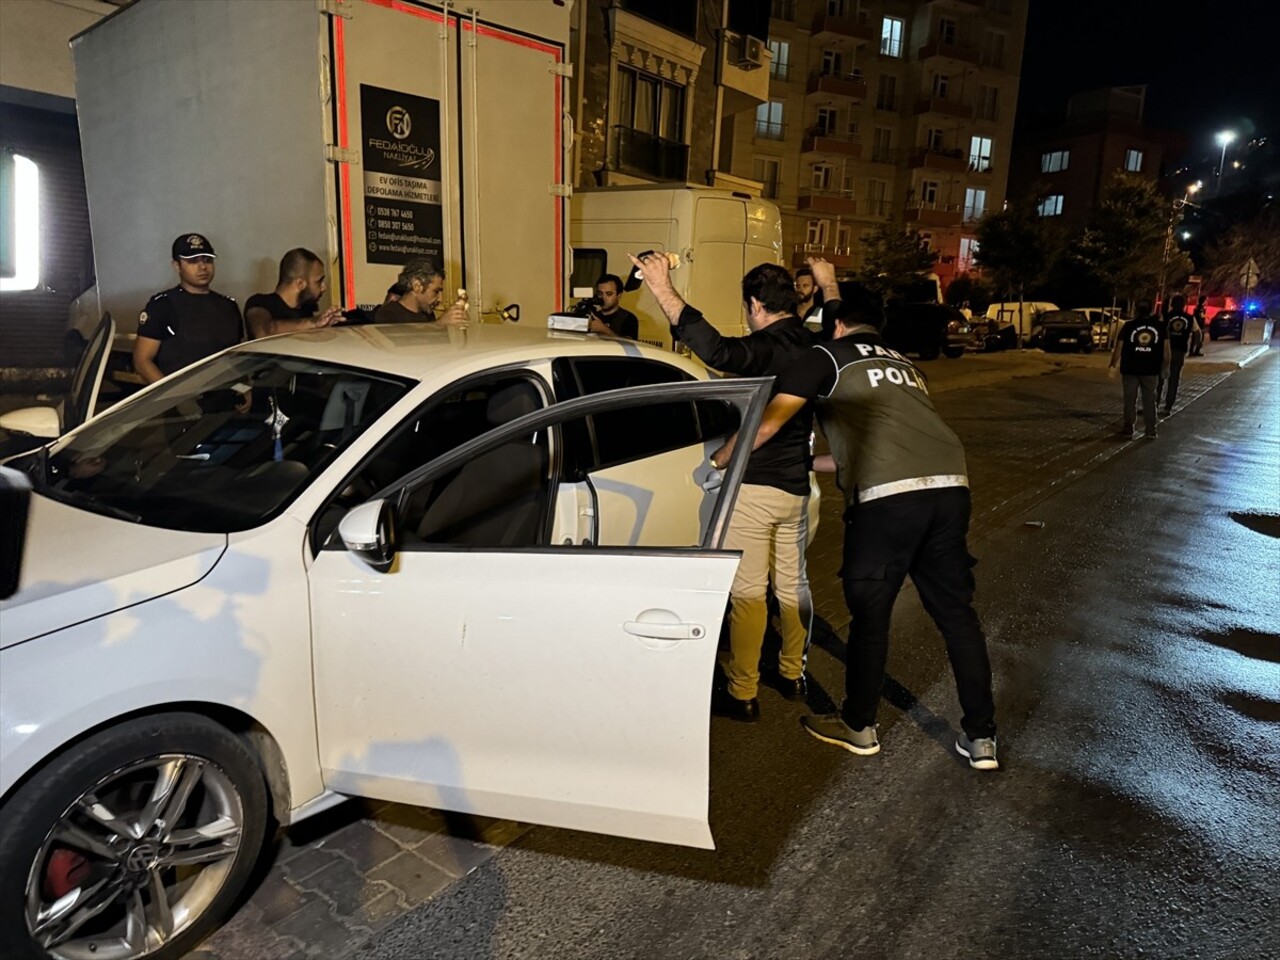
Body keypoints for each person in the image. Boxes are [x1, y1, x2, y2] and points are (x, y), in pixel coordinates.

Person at [711, 294, 1000, 770]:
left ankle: (859, 726)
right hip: (951, 489)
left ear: (839, 326)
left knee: (871, 614)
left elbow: (769, 423)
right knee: (957, 617)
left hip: (888, 504)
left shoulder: (824, 357)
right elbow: (863, 452)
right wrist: (808, 463)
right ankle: (981, 738)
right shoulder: (905, 365)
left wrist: (722, 461)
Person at [630, 252, 836, 721]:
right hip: (796, 488)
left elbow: (719, 352)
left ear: (755, 305)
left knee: (747, 592)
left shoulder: (768, 346)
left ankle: (742, 690)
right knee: (792, 585)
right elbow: (835, 319)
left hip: (756, 486)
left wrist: (662, 287)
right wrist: (829, 284)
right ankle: (791, 673)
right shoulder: (813, 343)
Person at [133, 233, 244, 384]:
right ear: (177, 265)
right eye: (193, 261)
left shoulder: (228, 305)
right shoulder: (163, 305)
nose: (202, 267)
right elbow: (142, 361)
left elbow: (237, 354)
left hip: (226, 394)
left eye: (207, 260)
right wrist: (172, 396)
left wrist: (244, 385)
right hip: (183, 398)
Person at [244, 248, 344, 338]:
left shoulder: (306, 310)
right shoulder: (259, 303)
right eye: (319, 282)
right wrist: (313, 323)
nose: (323, 288)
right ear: (300, 283)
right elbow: (264, 332)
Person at [1109, 301, 1170, 439]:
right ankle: (1150, 430)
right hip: (1150, 369)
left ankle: (1129, 428)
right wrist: (1165, 367)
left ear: (1136, 310)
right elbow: (1166, 351)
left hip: (1130, 369)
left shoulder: (1129, 326)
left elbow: (1118, 347)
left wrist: (1113, 364)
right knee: (1150, 400)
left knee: (1130, 399)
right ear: (1150, 310)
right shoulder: (1160, 327)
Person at [373, 257, 469, 326]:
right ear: (417, 286)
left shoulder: (428, 315)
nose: (440, 299)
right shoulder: (388, 314)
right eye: (436, 291)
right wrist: (439, 324)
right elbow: (406, 344)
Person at [1160, 294, 1194, 414]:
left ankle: (1154, 403)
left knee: (1159, 378)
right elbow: (1197, 332)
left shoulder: (1166, 316)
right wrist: (1193, 348)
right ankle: (1168, 407)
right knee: (1174, 379)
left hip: (1164, 350)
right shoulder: (1190, 318)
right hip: (1179, 351)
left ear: (1172, 305)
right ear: (1184, 305)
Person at [588, 274, 638, 339]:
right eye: (600, 294)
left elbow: (629, 345)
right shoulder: (594, 315)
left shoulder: (628, 318)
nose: (603, 298)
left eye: (609, 294)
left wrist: (603, 329)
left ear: (619, 296)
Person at [794, 265, 824, 331]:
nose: (800, 290)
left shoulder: (822, 313)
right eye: (798, 286)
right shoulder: (789, 311)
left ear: (815, 289)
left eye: (805, 286)